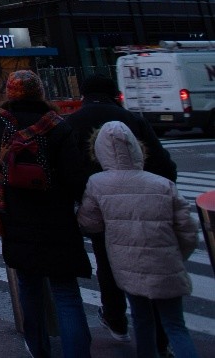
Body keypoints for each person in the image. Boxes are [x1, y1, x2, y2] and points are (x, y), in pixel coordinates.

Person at [0, 71, 90, 358]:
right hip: (57, 217)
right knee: (66, 292)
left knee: (29, 288)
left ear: (9, 93)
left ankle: (39, 349)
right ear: (40, 92)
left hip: (14, 216)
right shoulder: (57, 124)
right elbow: (76, 177)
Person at [66, 74, 177, 343]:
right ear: (113, 92)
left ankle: (116, 319)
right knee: (146, 266)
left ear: (83, 93)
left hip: (99, 204)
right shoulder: (131, 119)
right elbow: (164, 165)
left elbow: (67, 170)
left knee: (106, 263)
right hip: (143, 204)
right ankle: (159, 338)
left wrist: (82, 195)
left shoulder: (71, 123)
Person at [78, 121, 200, 358]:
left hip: (128, 264)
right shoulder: (162, 184)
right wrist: (177, 254)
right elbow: (187, 230)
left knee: (142, 321)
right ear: (136, 148)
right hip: (166, 263)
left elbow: (89, 222)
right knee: (175, 325)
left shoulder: (98, 184)